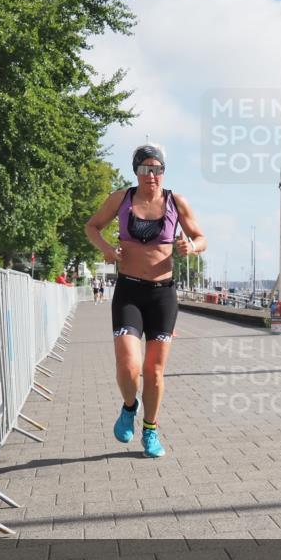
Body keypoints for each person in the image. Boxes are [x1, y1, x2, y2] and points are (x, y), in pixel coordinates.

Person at [84, 144, 206, 458]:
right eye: (145, 169)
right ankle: (129, 407)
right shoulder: (121, 199)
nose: (151, 176)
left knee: (153, 372)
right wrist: (108, 251)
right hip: (129, 292)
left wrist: (190, 247)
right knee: (129, 366)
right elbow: (91, 226)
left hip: (163, 295)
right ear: (136, 171)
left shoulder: (175, 202)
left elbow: (201, 238)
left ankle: (150, 429)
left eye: (157, 169)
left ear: (163, 172)